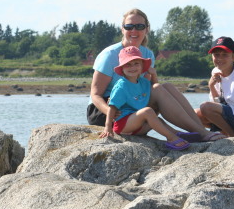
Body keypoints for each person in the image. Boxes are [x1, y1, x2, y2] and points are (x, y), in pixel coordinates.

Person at [87, 8, 225, 142]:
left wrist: (154, 77)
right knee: (159, 88)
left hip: (134, 104)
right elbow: (95, 94)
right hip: (109, 110)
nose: (134, 31)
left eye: (139, 26)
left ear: (147, 29)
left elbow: (147, 88)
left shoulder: (147, 54)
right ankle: (202, 133)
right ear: (122, 29)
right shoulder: (110, 55)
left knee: (166, 86)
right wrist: (110, 114)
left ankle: (200, 131)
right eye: (129, 26)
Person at [99, 46, 190, 150]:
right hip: (124, 125)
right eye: (127, 64)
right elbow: (112, 107)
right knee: (148, 111)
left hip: (139, 126)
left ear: (142, 66)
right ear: (122, 69)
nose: (132, 67)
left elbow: (156, 91)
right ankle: (171, 138)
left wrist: (154, 75)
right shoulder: (121, 86)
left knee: (158, 120)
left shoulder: (143, 82)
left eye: (136, 63)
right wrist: (107, 127)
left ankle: (178, 134)